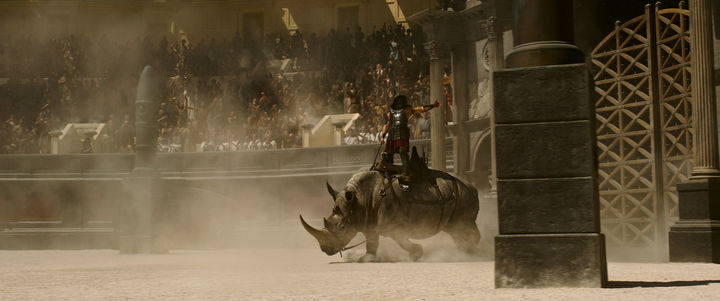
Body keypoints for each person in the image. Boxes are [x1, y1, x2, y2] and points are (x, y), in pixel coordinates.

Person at [380, 94, 438, 179]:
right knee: (389, 153)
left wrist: (433, 105)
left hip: (402, 134)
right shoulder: (391, 113)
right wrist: (382, 136)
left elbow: (422, 109)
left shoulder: (407, 110)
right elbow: (387, 125)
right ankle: (390, 170)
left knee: (402, 152)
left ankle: (406, 172)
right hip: (392, 135)